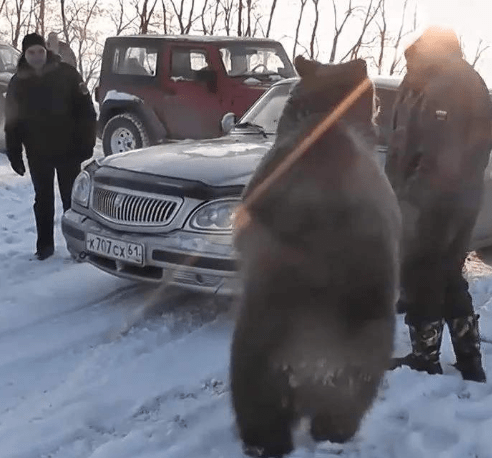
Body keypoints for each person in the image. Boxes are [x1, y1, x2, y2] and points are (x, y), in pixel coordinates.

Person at [386, 26, 492, 382]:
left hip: (439, 199)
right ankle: (469, 359)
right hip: (446, 196)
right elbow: (401, 144)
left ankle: (425, 356)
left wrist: (412, 202)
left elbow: (437, 155)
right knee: (447, 274)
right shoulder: (427, 81)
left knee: (423, 273)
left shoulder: (452, 85)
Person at [4, 32, 96, 260]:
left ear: (47, 51)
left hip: (69, 149)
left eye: (40, 51)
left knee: (72, 200)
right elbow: (12, 121)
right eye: (31, 52)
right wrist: (14, 152)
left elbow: (87, 112)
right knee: (42, 199)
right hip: (37, 152)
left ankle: (77, 247)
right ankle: (45, 246)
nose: (36, 56)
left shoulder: (67, 74)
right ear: (24, 55)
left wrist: (87, 143)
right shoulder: (18, 82)